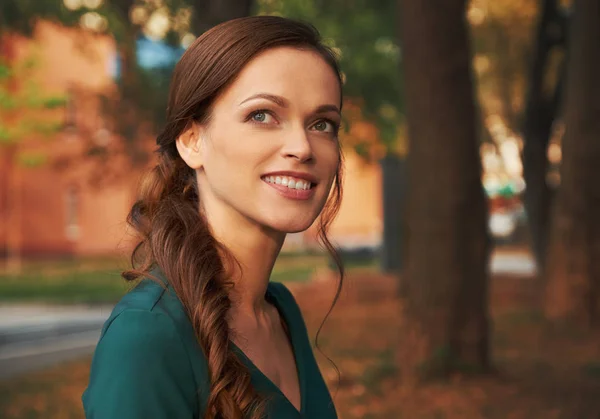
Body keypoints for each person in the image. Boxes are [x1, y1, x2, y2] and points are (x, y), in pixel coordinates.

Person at [82, 15, 345, 419]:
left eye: (322, 123)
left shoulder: (281, 311)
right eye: (262, 115)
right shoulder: (148, 335)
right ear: (191, 141)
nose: (302, 146)